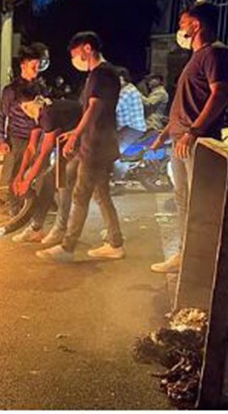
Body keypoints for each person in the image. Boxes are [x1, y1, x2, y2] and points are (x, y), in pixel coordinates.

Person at [149, 2, 228, 274]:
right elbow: (185, 102)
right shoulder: (196, 58)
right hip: (181, 138)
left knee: (198, 201)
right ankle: (186, 255)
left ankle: (199, 259)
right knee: (183, 198)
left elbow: (220, 94)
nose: (180, 28)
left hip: (195, 141)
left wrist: (194, 131)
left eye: (183, 23)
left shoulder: (215, 54)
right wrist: (166, 133)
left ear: (196, 25)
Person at [36, 31, 125, 262]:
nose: (74, 60)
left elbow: (93, 108)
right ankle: (115, 243)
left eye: (75, 54)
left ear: (87, 48)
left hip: (96, 146)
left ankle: (67, 247)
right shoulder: (107, 73)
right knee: (101, 194)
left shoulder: (100, 73)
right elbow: (94, 110)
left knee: (80, 195)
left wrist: (76, 134)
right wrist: (75, 133)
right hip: (100, 142)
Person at [9, 89, 82, 245]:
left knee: (60, 182)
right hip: (67, 142)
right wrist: (19, 175)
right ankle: (37, 229)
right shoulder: (36, 115)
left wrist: (28, 181)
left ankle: (59, 231)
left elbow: (44, 153)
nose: (25, 112)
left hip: (87, 141)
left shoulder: (48, 114)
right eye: (22, 109)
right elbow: (31, 148)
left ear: (36, 102)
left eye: (26, 107)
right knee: (51, 180)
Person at [0, 45, 47, 188]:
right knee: (10, 176)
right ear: (23, 66)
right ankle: (5, 205)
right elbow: (2, 115)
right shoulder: (11, 90)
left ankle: (33, 207)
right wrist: (2, 140)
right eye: (33, 66)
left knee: (38, 176)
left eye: (38, 66)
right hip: (17, 140)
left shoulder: (41, 89)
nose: (37, 70)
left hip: (38, 140)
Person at [115, 68, 147, 152]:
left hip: (132, 129)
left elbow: (115, 107)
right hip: (128, 128)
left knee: (113, 154)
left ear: (121, 78)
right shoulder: (128, 88)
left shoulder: (126, 91)